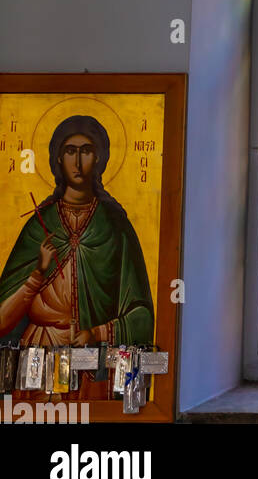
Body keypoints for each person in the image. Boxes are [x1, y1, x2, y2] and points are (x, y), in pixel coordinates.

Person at [0, 115, 154, 394]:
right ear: (58, 159)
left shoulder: (115, 226)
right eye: (70, 151)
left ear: (100, 158)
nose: (78, 161)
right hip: (39, 355)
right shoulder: (39, 225)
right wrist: (38, 273)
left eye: (87, 151)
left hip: (94, 363)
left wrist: (97, 333)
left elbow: (141, 313)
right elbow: (2, 318)